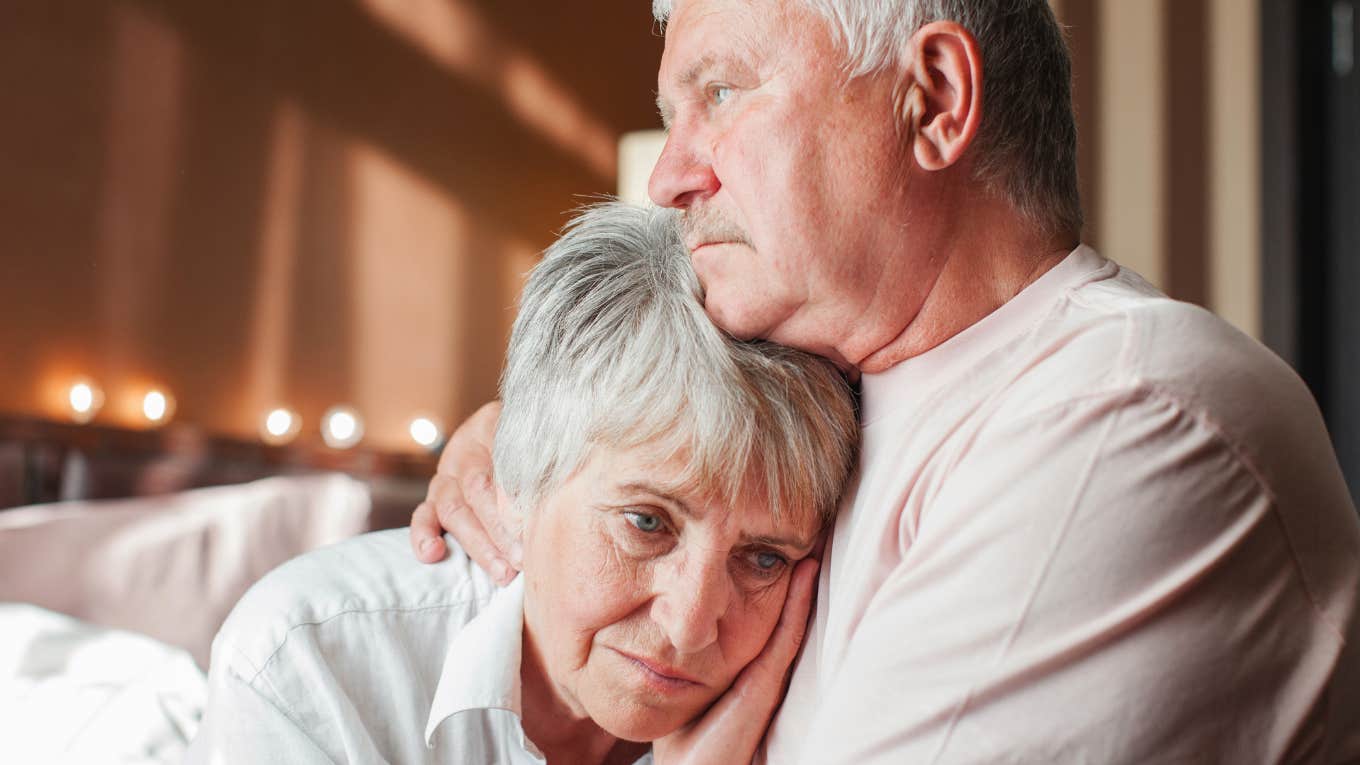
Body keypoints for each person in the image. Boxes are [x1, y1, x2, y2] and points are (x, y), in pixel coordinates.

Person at [411, 0, 1360, 762]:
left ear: (936, 99)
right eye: (672, 118)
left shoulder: (1124, 416)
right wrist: (534, 448)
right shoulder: (846, 395)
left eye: (724, 92)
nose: (669, 176)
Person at [185, 204, 858, 763]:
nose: (689, 625)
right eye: (647, 522)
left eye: (763, 557)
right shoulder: (308, 661)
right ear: (515, 483)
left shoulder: (836, 674)